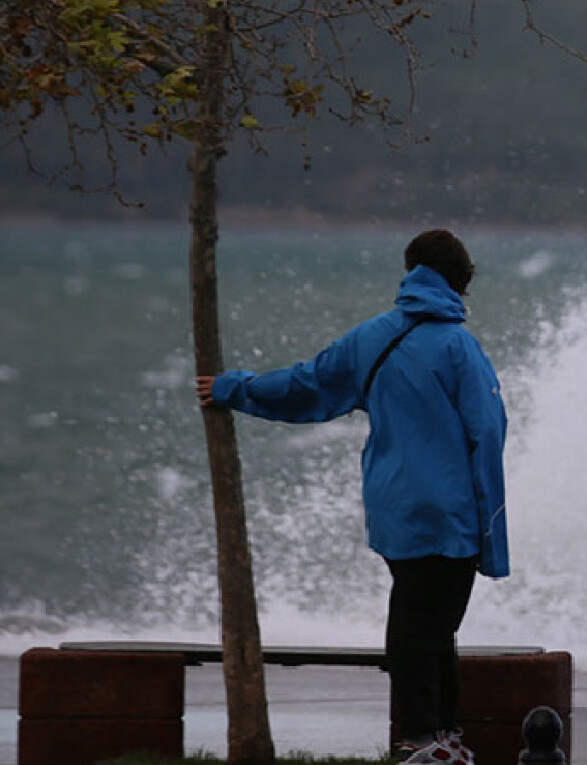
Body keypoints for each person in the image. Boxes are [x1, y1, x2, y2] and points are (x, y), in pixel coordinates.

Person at [196, 229, 508, 765]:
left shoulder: (371, 337)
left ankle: (441, 735)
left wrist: (235, 387)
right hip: (449, 511)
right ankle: (422, 739)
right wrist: (492, 532)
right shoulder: (459, 346)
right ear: (460, 282)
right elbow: (488, 434)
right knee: (426, 624)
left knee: (424, 620)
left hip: (393, 507)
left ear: (412, 272)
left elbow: (306, 385)